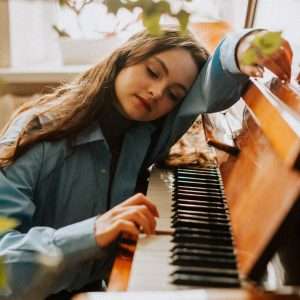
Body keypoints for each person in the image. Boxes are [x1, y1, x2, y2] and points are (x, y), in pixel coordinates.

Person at [0, 26, 292, 299]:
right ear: (125, 57)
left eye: (173, 94)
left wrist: (243, 46)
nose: (156, 93)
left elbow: (210, 84)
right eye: (153, 72)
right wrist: (91, 233)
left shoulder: (145, 129)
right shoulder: (37, 132)